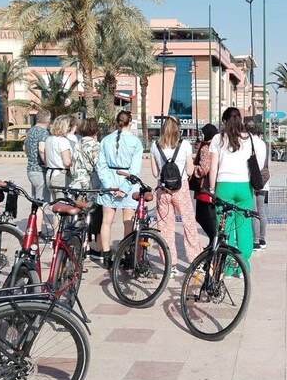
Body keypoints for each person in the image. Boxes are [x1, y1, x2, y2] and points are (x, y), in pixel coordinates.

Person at [208, 107, 266, 270]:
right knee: (244, 226)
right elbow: (258, 164)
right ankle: (242, 266)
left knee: (225, 227)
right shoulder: (250, 139)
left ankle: (227, 267)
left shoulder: (218, 139)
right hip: (244, 187)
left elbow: (213, 168)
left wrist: (212, 189)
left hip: (223, 186)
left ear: (224, 122)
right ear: (240, 120)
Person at [150, 115, 201, 276]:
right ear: (178, 128)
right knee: (188, 224)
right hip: (181, 188)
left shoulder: (155, 145)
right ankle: (195, 259)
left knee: (165, 227)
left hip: (163, 190)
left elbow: (155, 173)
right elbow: (190, 170)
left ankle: (169, 265)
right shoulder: (185, 145)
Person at [94, 110, 143, 268]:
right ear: (131, 122)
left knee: (106, 221)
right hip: (127, 182)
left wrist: (109, 185)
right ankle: (127, 255)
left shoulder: (106, 140)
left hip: (109, 180)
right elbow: (134, 170)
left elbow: (100, 165)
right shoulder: (135, 142)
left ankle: (106, 256)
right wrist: (124, 188)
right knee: (127, 222)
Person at [70, 117, 103, 258]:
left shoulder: (77, 144)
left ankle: (82, 245)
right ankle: (95, 247)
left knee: (80, 216)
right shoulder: (96, 146)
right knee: (95, 215)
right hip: (90, 185)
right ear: (95, 130)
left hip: (76, 183)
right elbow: (99, 166)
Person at [191, 123, 218, 246]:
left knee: (202, 216)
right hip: (213, 185)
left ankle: (215, 239)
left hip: (205, 188)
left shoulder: (206, 148)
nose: (201, 135)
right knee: (210, 217)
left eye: (202, 132)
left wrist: (192, 168)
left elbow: (204, 169)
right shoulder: (217, 145)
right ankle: (214, 240)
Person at [245, 120, 269, 252]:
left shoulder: (249, 143)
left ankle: (255, 241)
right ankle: (262, 238)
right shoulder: (263, 144)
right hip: (263, 180)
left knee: (253, 212)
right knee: (261, 211)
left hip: (251, 180)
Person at [24, 109, 50, 203]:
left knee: (34, 201)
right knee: (41, 203)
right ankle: (39, 217)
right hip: (40, 171)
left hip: (31, 169)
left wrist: (31, 157)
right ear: (47, 120)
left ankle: (34, 217)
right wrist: (47, 163)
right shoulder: (43, 132)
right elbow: (41, 149)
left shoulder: (30, 131)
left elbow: (25, 148)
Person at [44, 115, 73, 196]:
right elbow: (66, 162)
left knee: (56, 203)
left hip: (50, 173)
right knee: (63, 204)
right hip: (60, 175)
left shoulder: (48, 139)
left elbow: (46, 161)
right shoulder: (63, 141)